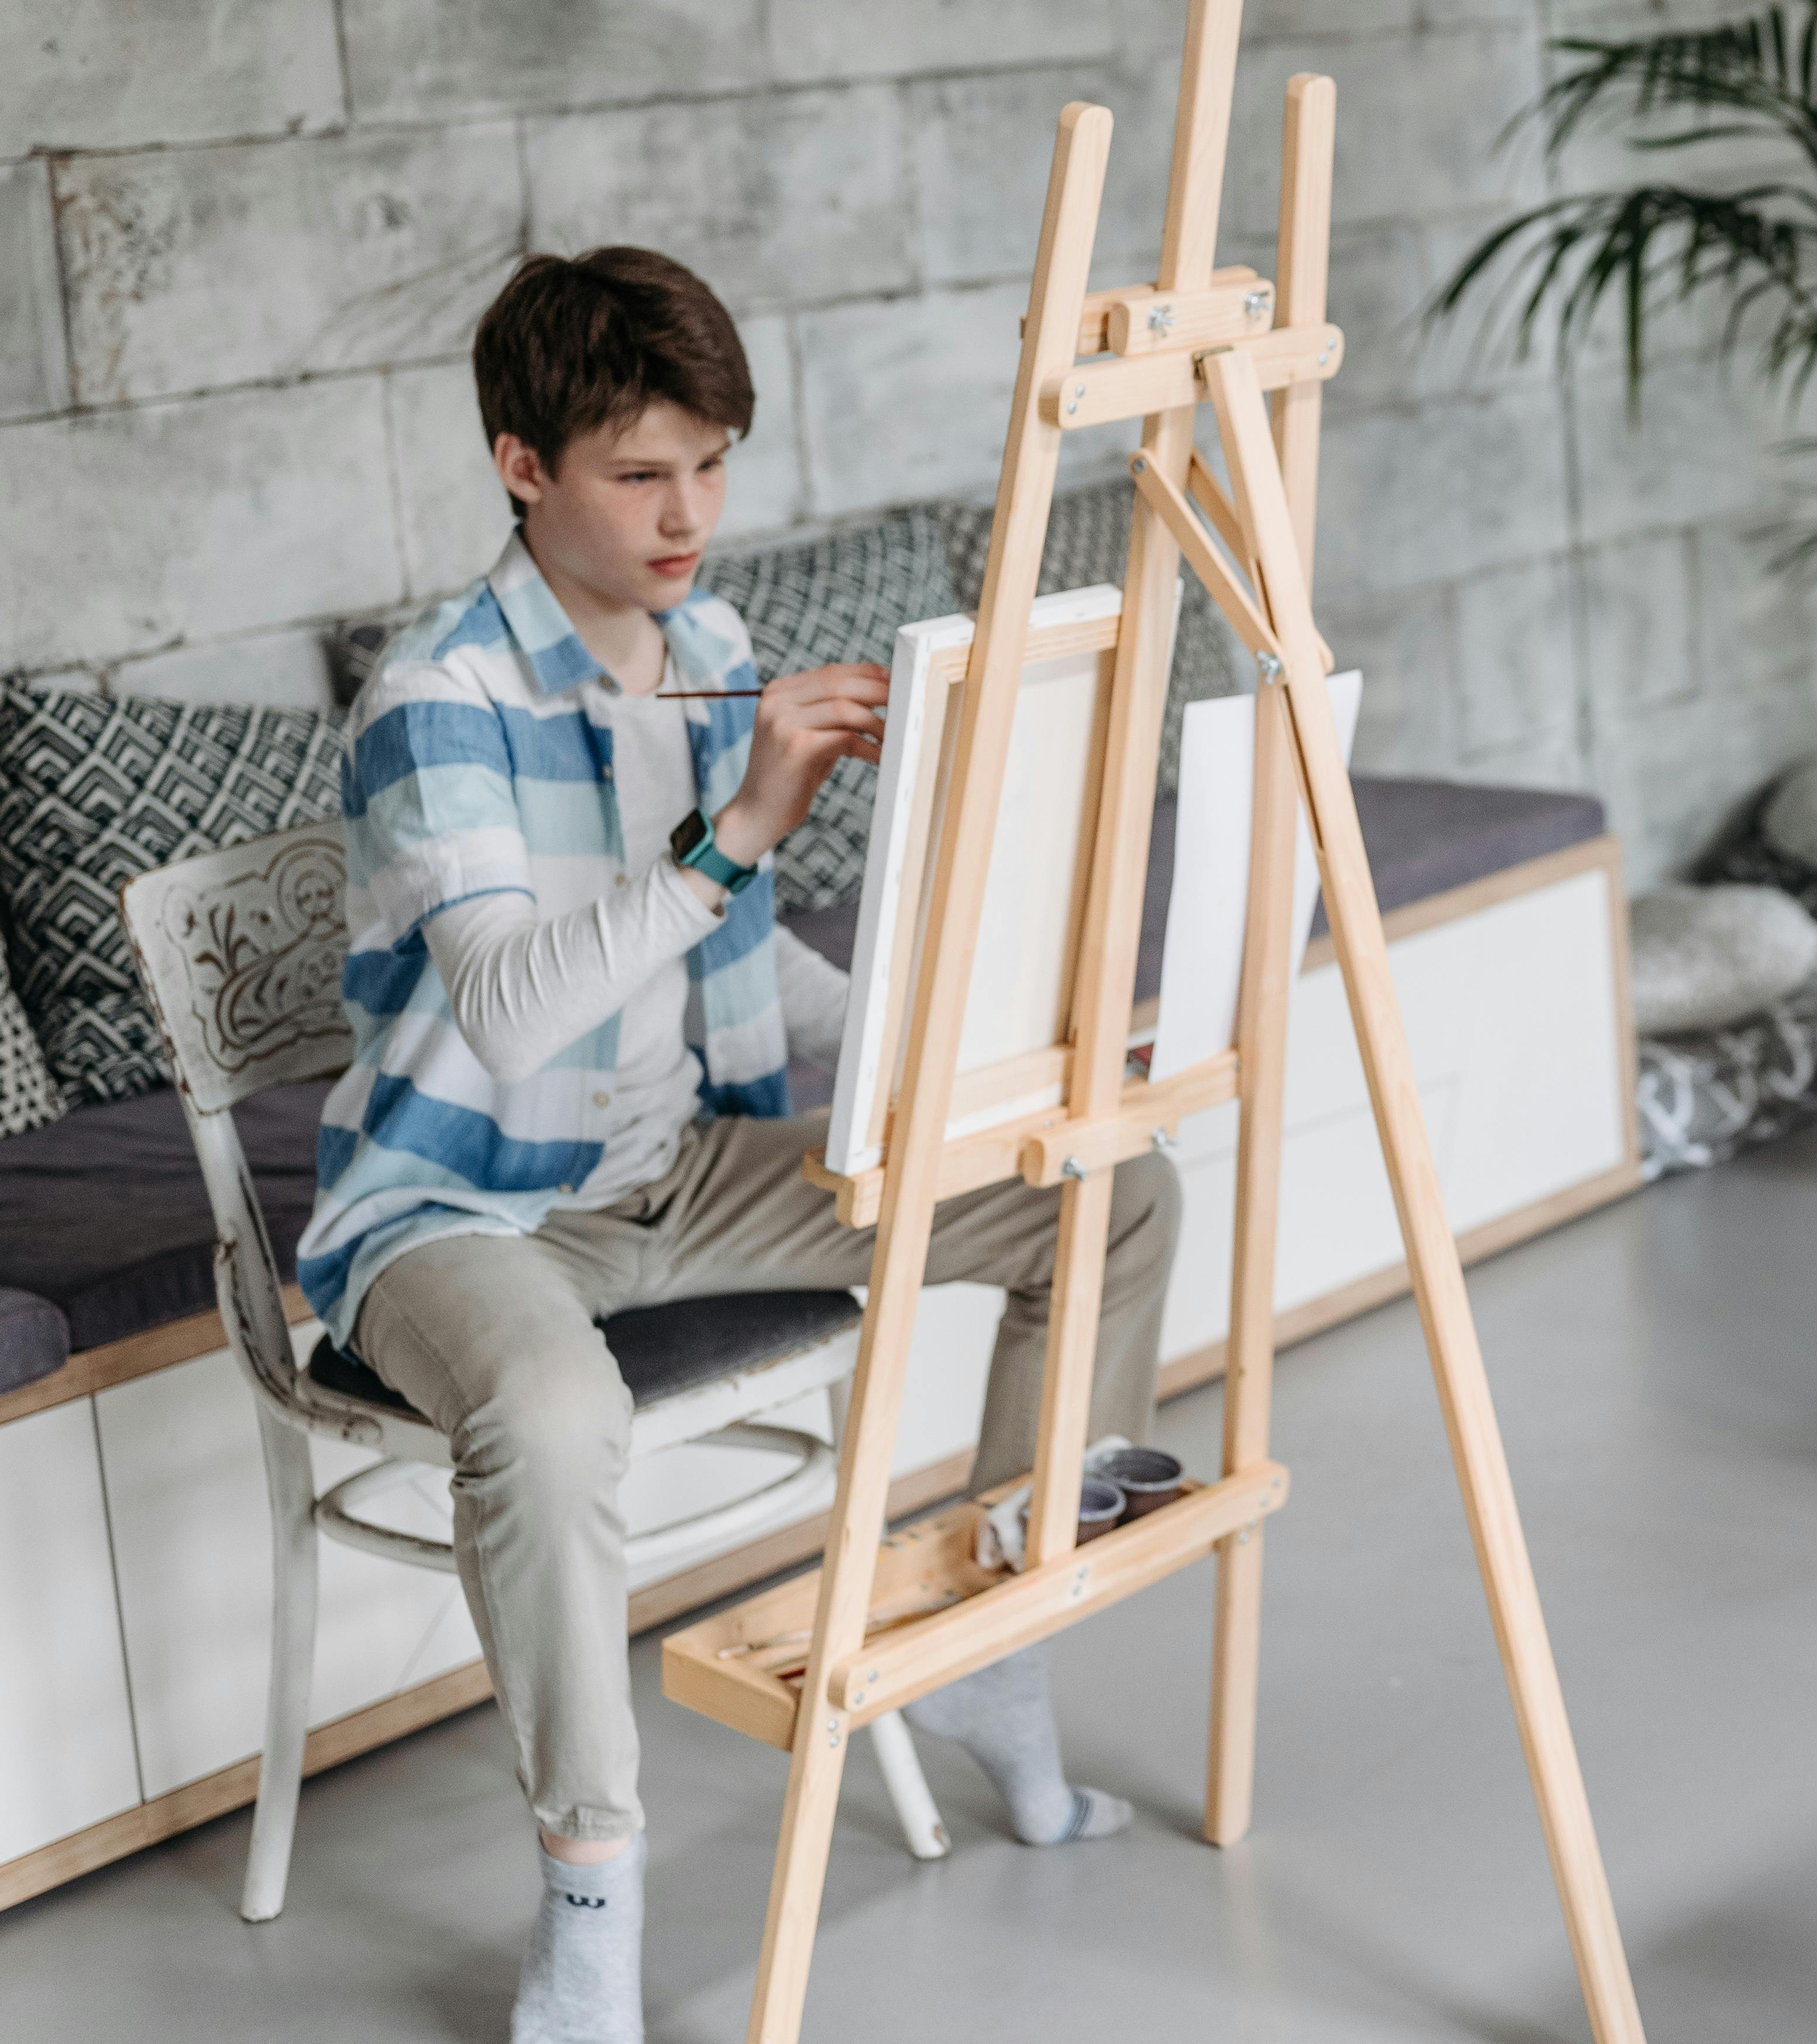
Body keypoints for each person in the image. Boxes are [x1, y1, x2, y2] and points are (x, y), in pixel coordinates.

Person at [300, 249, 1174, 2044]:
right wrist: (741, 821)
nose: (689, 512)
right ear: (521, 465)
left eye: (711, 461)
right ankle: (590, 1910)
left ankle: (996, 1651)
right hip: (459, 1206)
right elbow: (519, 1007)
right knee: (550, 1413)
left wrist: (962, 1059)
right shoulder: (433, 703)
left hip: (685, 1168)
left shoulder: (705, 645)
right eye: (639, 471)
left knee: (1098, 1184)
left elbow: (742, 952)